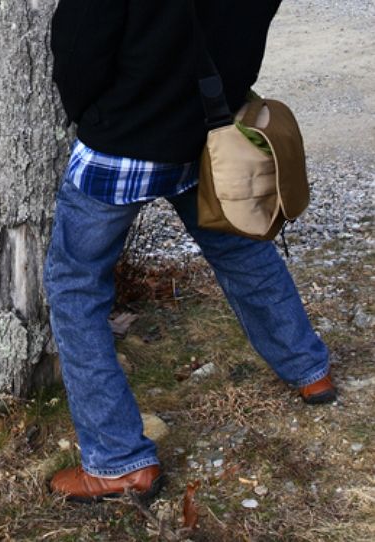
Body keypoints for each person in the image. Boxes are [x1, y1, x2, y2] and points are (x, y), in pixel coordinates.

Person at [43, 0, 336, 503]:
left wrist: (96, 115)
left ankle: (117, 461)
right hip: (210, 124)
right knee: (242, 251)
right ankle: (310, 371)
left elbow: (79, 43)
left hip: (124, 132)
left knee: (75, 284)